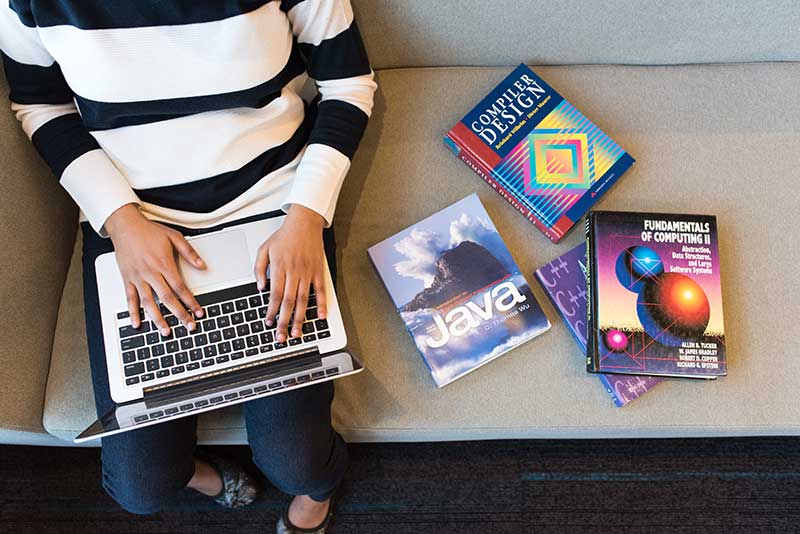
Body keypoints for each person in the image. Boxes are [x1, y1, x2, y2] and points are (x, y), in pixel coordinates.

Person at [0, 0, 376, 531]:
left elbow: (348, 84)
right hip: (134, 222)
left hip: (275, 209)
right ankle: (203, 475)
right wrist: (121, 222)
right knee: (140, 487)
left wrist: (308, 217)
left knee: (298, 460)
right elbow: (40, 104)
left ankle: (318, 491)